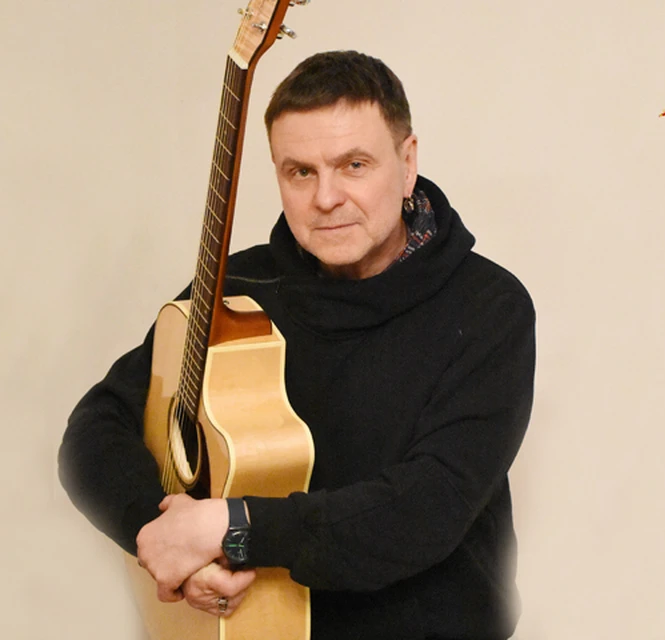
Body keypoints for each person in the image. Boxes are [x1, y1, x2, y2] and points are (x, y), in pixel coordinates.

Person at [59, 50, 535, 639]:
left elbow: (425, 510)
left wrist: (231, 529)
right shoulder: (236, 292)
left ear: (408, 161)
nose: (326, 198)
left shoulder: (488, 307)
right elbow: (96, 427)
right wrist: (161, 537)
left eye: (354, 165)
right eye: (300, 172)